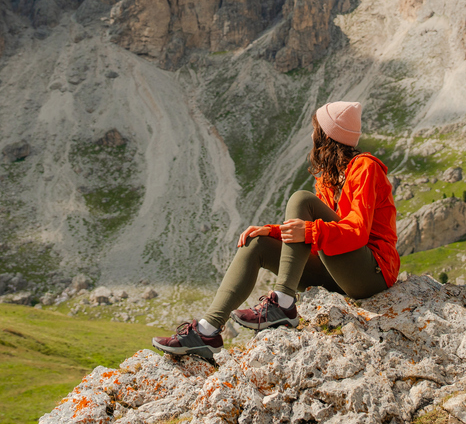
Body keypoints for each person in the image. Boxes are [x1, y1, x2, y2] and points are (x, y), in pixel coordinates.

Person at [152, 100, 399, 362]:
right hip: (338, 273)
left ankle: (282, 303)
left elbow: (356, 232)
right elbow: (314, 237)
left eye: (316, 128)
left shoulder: (365, 167)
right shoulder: (327, 179)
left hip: (372, 273)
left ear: (326, 135)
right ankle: (207, 332)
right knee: (257, 244)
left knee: (301, 200)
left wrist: (307, 231)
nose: (311, 135)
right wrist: (272, 232)